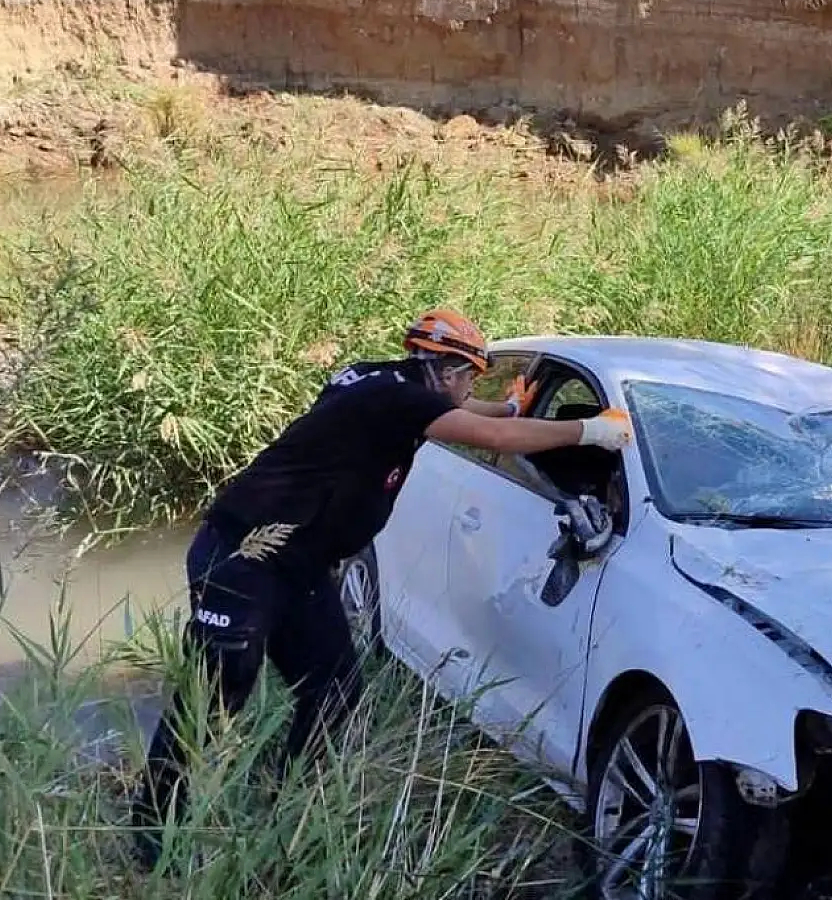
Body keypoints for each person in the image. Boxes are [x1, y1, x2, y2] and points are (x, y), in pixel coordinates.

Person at [129, 308, 633, 869]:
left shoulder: (376, 377)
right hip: (242, 559)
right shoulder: (402, 401)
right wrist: (590, 431)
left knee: (335, 688)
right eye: (470, 376)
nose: (470, 387)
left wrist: (513, 405)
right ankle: (154, 831)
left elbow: (465, 413)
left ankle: (276, 804)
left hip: (299, 568)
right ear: (446, 371)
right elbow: (487, 434)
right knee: (215, 697)